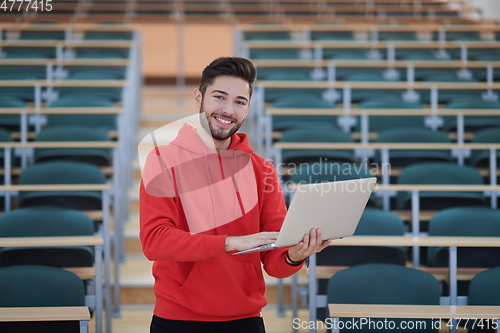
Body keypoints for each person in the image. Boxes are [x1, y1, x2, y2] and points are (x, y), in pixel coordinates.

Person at [139, 56, 332, 333]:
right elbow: (155, 241)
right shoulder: (163, 160)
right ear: (199, 97)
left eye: (240, 102)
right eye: (219, 97)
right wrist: (231, 243)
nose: (228, 109)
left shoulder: (262, 169)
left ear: (248, 108)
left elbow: (275, 262)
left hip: (246, 319)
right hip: (178, 319)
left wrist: (295, 255)